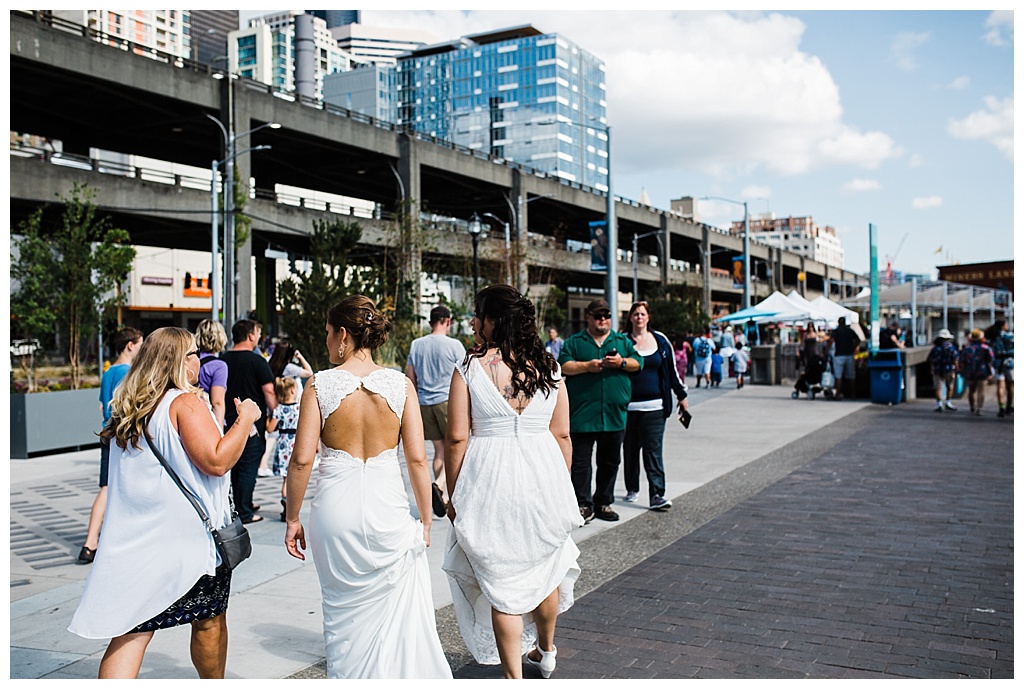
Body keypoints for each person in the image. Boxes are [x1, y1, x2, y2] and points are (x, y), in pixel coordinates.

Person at [68, 327, 261, 678]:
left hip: (139, 542)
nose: (197, 362)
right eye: (192, 355)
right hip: (188, 545)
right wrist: (246, 417)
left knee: (132, 632)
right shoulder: (183, 402)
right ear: (177, 361)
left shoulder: (131, 408)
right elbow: (217, 461)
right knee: (208, 621)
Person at [283, 296, 451, 679]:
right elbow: (418, 460)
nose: (326, 342)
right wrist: (425, 520)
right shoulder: (401, 385)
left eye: (328, 333)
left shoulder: (319, 386)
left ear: (343, 334)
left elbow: (302, 460)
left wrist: (293, 518)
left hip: (335, 511)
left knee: (341, 614)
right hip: (387, 510)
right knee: (394, 617)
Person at [443, 284, 583, 679]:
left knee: (503, 577)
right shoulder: (551, 367)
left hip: (490, 477)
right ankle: (547, 649)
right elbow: (563, 435)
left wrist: (455, 494)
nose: (472, 322)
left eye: (477, 314)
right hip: (544, 472)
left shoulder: (469, 368)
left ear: (494, 320)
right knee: (544, 565)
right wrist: (562, 483)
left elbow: (456, 439)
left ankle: (513, 676)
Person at [558, 298, 642, 524]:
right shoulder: (575, 342)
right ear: (588, 317)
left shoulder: (621, 341)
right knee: (581, 463)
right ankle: (583, 504)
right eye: (598, 316)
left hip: (614, 416)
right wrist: (587, 366)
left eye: (606, 316)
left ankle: (603, 502)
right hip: (582, 416)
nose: (603, 320)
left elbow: (638, 363)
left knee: (610, 462)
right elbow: (563, 365)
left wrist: (621, 363)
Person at [79, 326, 143, 564]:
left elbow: (102, 405)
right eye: (140, 344)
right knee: (123, 488)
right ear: (130, 346)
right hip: (122, 434)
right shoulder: (128, 372)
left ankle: (90, 542)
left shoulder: (108, 372)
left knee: (106, 487)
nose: (142, 348)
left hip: (107, 432)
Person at [621, 301, 688, 511]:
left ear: (648, 318)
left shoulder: (660, 340)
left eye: (642, 314)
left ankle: (657, 494)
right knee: (630, 450)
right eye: (635, 314)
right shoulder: (622, 341)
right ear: (630, 318)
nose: (639, 317)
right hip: (629, 408)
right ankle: (632, 487)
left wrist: (681, 394)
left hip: (655, 407)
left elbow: (671, 371)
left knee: (653, 451)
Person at [405, 304, 467, 518]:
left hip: (424, 403)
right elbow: (466, 375)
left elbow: (410, 378)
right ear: (447, 321)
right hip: (447, 402)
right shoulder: (454, 345)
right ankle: (441, 485)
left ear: (431, 322)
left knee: (439, 451)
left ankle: (443, 493)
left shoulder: (416, 345)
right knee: (459, 448)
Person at [221, 319, 277, 524]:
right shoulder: (257, 361)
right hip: (252, 423)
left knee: (235, 464)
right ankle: (244, 511)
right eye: (258, 333)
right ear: (251, 335)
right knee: (248, 466)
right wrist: (275, 410)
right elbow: (269, 391)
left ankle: (240, 503)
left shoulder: (223, 359)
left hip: (227, 420)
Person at [266, 376, 300, 522]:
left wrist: (270, 416)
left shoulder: (278, 409)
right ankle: (292, 506)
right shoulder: (300, 408)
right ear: (292, 390)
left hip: (283, 443)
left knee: (286, 479)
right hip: (296, 442)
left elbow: (270, 428)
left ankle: (285, 503)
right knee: (295, 477)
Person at [195, 320, 229, 429]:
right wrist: (219, 433)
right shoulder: (219, 366)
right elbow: (217, 403)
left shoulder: (190, 360)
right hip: (208, 421)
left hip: (189, 416)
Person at [961, 328, 995, 416]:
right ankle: (980, 408)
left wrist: (962, 371)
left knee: (971, 390)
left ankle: (972, 406)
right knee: (981, 391)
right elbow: (991, 360)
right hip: (982, 371)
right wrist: (991, 373)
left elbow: (962, 360)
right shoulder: (986, 348)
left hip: (970, 371)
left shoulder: (967, 348)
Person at [985, 320, 1014, 418]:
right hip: (1010, 362)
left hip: (998, 363)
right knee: (1011, 386)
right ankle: (1009, 407)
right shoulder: (1009, 336)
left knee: (1000, 386)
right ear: (1002, 326)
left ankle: (1001, 407)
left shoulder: (992, 337)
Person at [928, 328, 959, 412]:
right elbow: (955, 359)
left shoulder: (935, 348)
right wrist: (957, 368)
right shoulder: (951, 347)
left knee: (938, 387)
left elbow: (931, 359)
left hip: (937, 369)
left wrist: (932, 369)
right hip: (949, 369)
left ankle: (939, 404)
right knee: (950, 386)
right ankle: (948, 402)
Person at [830, 316, 861, 401]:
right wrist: (855, 348)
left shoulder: (836, 331)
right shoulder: (850, 331)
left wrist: (826, 351)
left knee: (838, 376)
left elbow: (831, 341)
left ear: (838, 322)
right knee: (851, 376)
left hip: (839, 355)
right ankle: (853, 394)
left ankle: (838, 394)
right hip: (849, 355)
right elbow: (858, 340)